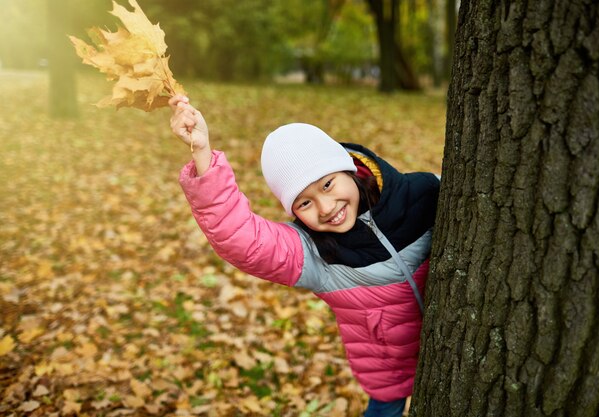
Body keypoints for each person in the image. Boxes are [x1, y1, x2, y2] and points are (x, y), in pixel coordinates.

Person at [169, 94, 440, 417]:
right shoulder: (314, 253)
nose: (326, 209)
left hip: (451, 350)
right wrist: (202, 152)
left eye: (327, 185)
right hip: (388, 374)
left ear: (350, 170)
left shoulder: (421, 194)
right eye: (305, 203)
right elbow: (240, 238)